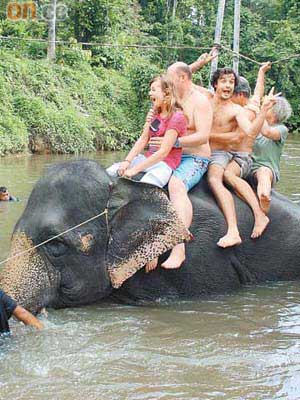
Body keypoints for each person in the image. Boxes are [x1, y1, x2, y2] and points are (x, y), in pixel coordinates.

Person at [149, 62, 213, 270]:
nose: (166, 82)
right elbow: (157, 127)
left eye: (170, 77)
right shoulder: (172, 99)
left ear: (182, 78)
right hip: (169, 156)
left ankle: (179, 247)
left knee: (176, 186)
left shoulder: (200, 102)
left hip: (194, 158)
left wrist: (175, 142)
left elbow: (203, 136)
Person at [207, 67, 277, 248]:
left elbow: (243, 136)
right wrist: (261, 72)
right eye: (224, 81)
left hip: (241, 158)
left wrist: (264, 110)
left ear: (238, 92)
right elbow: (182, 83)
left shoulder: (242, 111)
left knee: (226, 176)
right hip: (226, 155)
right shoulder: (208, 100)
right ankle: (261, 203)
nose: (228, 86)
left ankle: (255, 215)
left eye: (232, 83)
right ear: (215, 84)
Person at [106, 74, 187, 188]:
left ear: (166, 93)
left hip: (165, 164)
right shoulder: (154, 113)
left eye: (153, 90)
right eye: (150, 90)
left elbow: (163, 151)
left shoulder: (177, 117)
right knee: (111, 171)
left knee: (145, 187)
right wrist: (127, 161)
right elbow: (143, 139)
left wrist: (134, 170)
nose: (150, 93)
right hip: (147, 159)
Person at [249, 96, 292, 213]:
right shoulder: (258, 124)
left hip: (267, 169)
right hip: (249, 167)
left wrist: (259, 111)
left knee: (263, 172)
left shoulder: (282, 129)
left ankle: (264, 196)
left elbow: (267, 132)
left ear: (274, 112)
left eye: (267, 107)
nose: (264, 108)